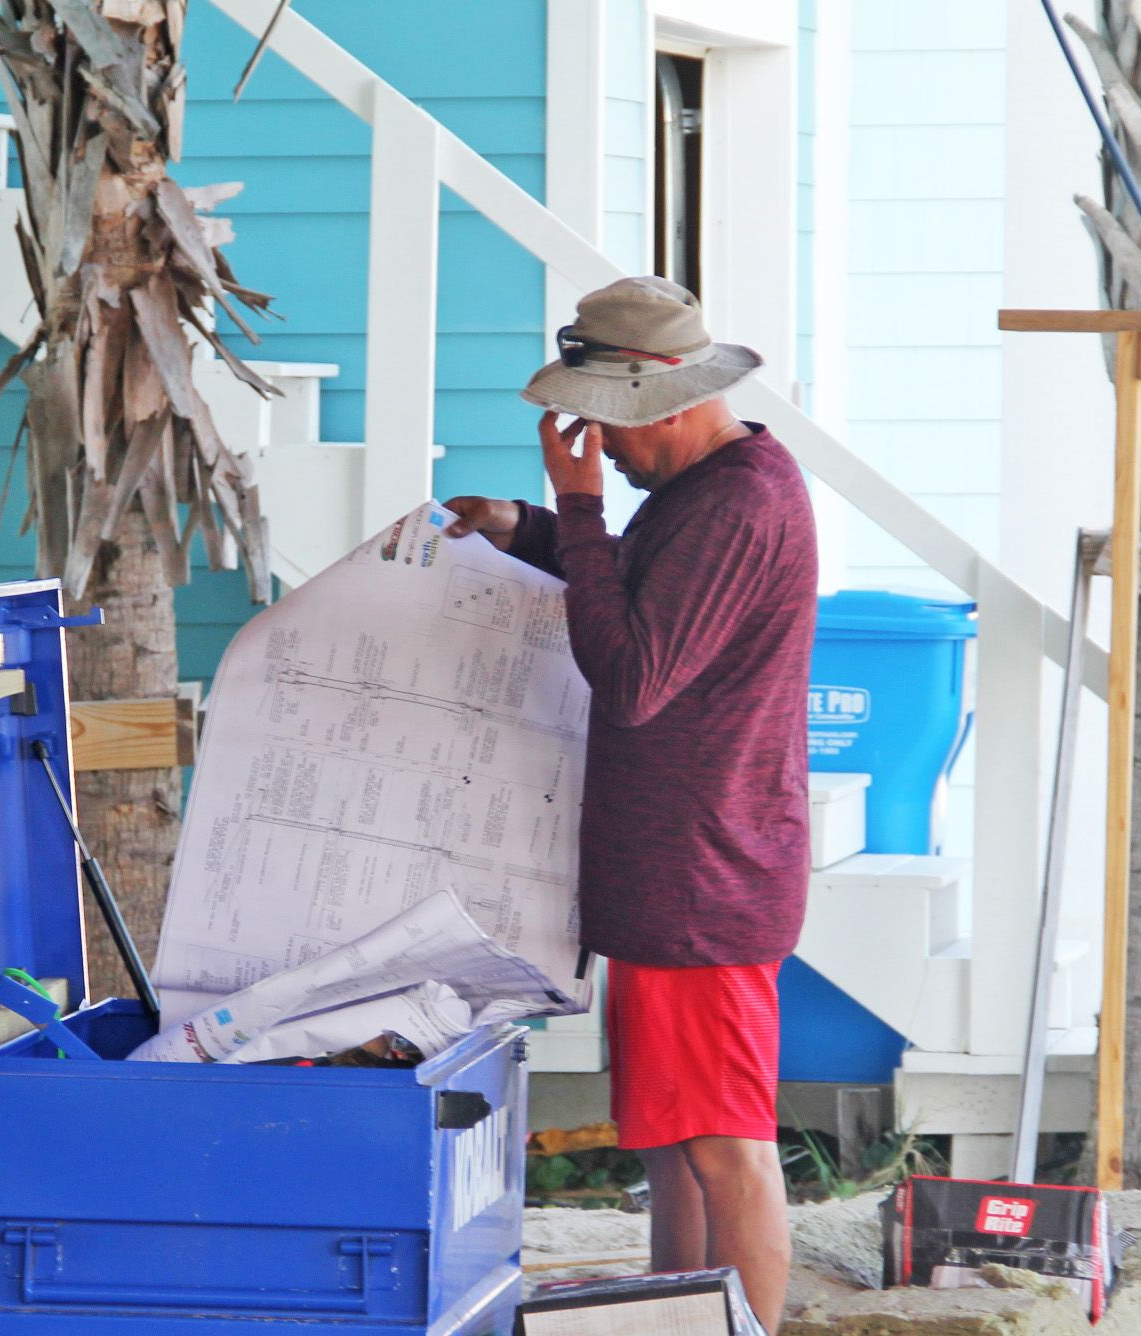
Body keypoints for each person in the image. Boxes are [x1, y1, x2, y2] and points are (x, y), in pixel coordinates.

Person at [445, 276, 817, 1335]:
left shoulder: (739, 503)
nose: (599, 446)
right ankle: (680, 1320)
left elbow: (634, 671)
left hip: (706, 879)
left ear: (662, 393)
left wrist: (573, 510)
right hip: (676, 875)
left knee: (724, 1146)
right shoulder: (699, 494)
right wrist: (523, 524)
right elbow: (636, 584)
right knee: (674, 1143)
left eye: (606, 423)